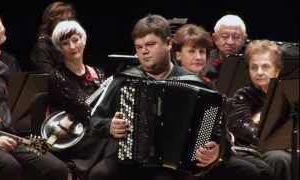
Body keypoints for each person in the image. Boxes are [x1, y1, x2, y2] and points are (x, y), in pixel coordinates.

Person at [90, 14, 265, 180]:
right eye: (139, 47)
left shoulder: (195, 84)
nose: (144, 52)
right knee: (100, 174)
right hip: (129, 158)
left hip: (175, 164)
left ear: (168, 44)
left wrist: (216, 151)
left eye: (150, 45)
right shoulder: (126, 79)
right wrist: (109, 127)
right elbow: (94, 120)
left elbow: (220, 134)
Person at [172, 24, 274, 180]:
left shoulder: (208, 85)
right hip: (182, 160)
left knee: (264, 169)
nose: (199, 57)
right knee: (249, 172)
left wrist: (218, 150)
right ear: (178, 55)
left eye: (202, 52)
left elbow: (220, 127)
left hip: (210, 154)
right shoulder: (173, 84)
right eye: (192, 51)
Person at [0, 18, 68, 180]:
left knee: (58, 168)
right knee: (10, 166)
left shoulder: (1, 69)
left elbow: (7, 105)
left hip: (9, 135)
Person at [48, 20, 119, 180]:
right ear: (60, 48)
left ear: (83, 40)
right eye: (65, 43)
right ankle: (76, 168)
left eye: (75, 40)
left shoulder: (98, 73)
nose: (72, 47)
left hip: (99, 128)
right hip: (77, 135)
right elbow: (81, 110)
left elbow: (107, 104)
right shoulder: (57, 76)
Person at [227, 40, 292, 180]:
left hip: (287, 147)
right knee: (279, 158)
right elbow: (243, 129)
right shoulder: (243, 95)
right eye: (254, 67)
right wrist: (281, 140)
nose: (259, 72)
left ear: (277, 70)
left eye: (265, 67)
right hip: (253, 150)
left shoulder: (290, 94)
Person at [30, 1, 76, 72]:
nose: (67, 24)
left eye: (69, 19)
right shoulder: (42, 47)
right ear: (51, 22)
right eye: (62, 20)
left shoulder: (72, 44)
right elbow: (49, 78)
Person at [203, 14, 248, 86]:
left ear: (244, 39)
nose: (230, 42)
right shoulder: (203, 58)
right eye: (225, 37)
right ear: (215, 38)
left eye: (236, 37)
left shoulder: (251, 62)